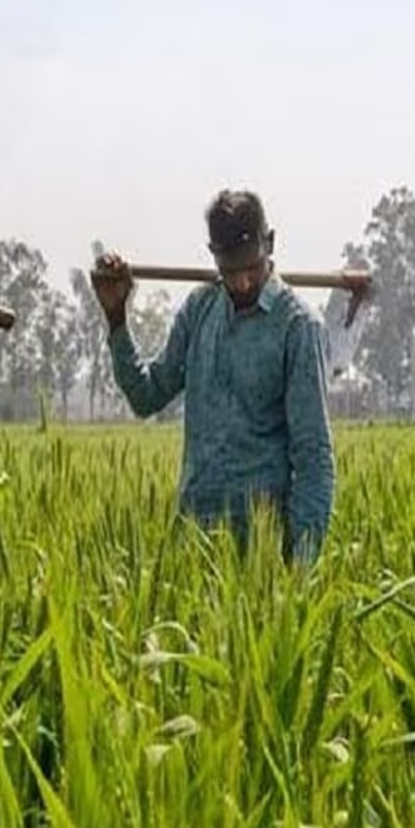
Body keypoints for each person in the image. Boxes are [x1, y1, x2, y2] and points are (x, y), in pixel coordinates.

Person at [92, 189, 335, 564]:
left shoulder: (298, 327)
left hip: (260, 554)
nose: (241, 283)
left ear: (269, 244)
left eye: (251, 268)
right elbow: (146, 396)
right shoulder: (200, 309)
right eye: (230, 270)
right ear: (213, 255)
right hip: (193, 542)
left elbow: (314, 457)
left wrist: (300, 570)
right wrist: (116, 317)